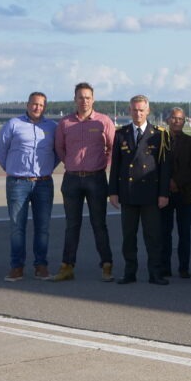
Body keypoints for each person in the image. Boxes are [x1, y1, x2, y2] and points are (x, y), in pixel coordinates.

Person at [52, 82, 116, 282]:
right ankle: (67, 266)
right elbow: (60, 149)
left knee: (99, 224)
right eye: (80, 97)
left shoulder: (103, 121)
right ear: (75, 99)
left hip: (96, 179)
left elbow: (113, 148)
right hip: (72, 179)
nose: (84, 100)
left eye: (88, 97)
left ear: (93, 99)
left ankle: (106, 265)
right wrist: (72, 163)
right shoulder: (65, 123)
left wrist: (101, 164)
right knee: (72, 225)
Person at [109, 95, 171, 285]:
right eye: (134, 110)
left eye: (141, 110)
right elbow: (116, 165)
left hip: (151, 194)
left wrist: (163, 193)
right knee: (129, 237)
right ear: (129, 111)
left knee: (153, 237)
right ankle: (130, 272)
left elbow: (164, 167)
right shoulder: (121, 134)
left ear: (148, 111)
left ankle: (155, 273)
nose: (138, 113)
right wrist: (113, 191)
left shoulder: (159, 134)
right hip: (128, 193)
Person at [0, 91, 58, 282]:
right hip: (17, 183)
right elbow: (0, 151)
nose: (37, 107)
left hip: (43, 183)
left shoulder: (53, 127)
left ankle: (41, 266)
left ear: (45, 107)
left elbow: (58, 153)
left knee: (43, 227)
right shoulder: (13, 124)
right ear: (27, 104)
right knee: (17, 227)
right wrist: (14, 169)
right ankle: (17, 267)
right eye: (34, 104)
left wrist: (46, 169)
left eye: (40, 105)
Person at [159, 107, 191, 279]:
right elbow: (157, 165)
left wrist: (176, 182)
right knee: (164, 232)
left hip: (185, 193)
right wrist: (167, 183)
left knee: (184, 233)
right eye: (174, 118)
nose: (177, 121)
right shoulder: (160, 140)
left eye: (180, 119)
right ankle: (165, 266)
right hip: (165, 193)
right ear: (168, 120)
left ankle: (183, 267)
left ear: (185, 121)